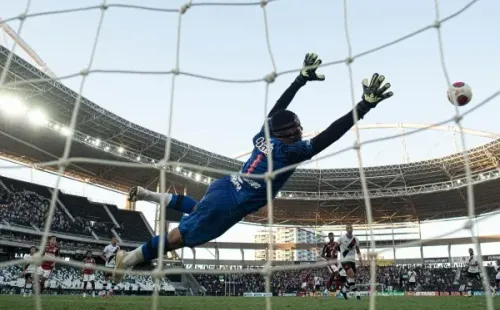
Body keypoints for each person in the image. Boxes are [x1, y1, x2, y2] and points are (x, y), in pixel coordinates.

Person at [113, 53, 394, 282]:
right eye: (298, 128)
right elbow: (331, 134)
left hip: (224, 185)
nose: (302, 131)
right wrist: (364, 106)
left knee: (196, 211)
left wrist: (300, 80)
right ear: (292, 133)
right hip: (232, 204)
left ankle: (148, 199)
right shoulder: (291, 152)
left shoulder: (264, 135)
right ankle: (127, 260)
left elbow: (277, 108)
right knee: (177, 239)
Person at [338, 224, 363, 300]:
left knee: (352, 278)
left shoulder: (356, 239)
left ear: (352, 229)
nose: (349, 229)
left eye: (350, 228)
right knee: (351, 274)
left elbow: (358, 251)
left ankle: (344, 290)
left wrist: (360, 260)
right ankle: (357, 294)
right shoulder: (341, 238)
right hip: (344, 260)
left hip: (352, 260)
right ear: (346, 229)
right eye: (348, 228)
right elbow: (336, 247)